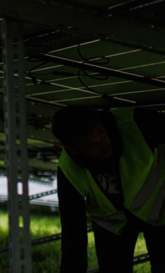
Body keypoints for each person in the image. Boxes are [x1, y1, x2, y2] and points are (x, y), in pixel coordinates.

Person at [52, 106, 165, 272]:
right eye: (92, 144)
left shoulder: (137, 123)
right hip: (112, 225)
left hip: (160, 210)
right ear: (72, 150)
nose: (104, 145)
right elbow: (73, 234)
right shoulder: (68, 169)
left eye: (102, 134)